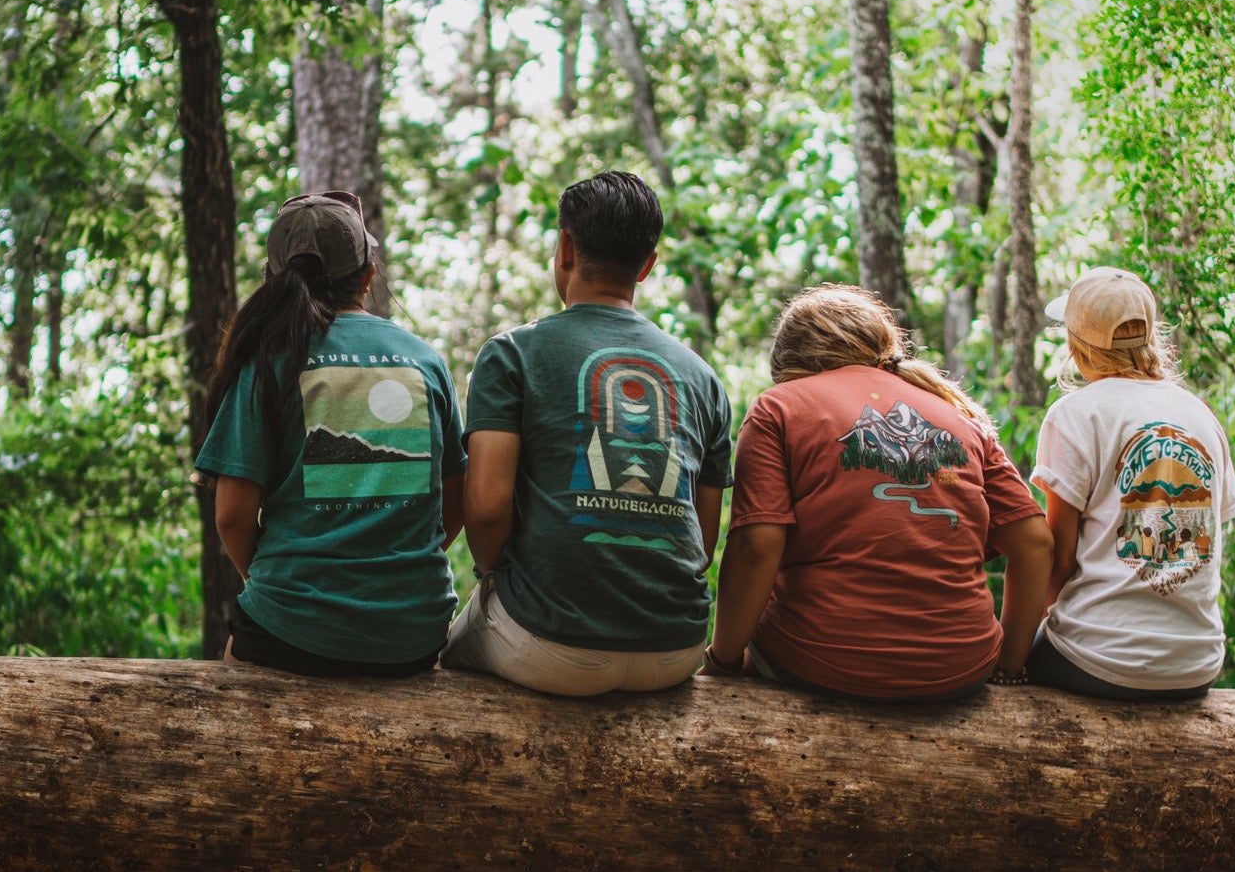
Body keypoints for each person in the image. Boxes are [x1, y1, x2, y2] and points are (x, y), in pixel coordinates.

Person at [443, 170, 733, 695]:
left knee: (444, 661)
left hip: (547, 645)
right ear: (647, 265)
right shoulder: (704, 378)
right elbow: (703, 541)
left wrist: (492, 575)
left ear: (565, 249)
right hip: (676, 650)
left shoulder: (512, 353)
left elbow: (484, 510)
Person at [707, 285, 1051, 698]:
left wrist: (722, 662)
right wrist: (1008, 666)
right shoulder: (960, 417)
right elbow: (1034, 542)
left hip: (820, 660)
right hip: (960, 668)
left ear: (790, 365)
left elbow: (756, 547)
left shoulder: (777, 406)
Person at [195, 190, 465, 676]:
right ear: (368, 275)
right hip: (413, 636)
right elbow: (458, 502)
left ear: (273, 278)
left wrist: (286, 592)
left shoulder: (266, 360)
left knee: (228, 683)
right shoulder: (425, 359)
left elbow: (232, 518)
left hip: (289, 629)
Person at [1028, 265, 1235, 698]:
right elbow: (1212, 536)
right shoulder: (1200, 414)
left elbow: (1059, 561)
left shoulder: (1074, 414)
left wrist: (1024, 642)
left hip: (1098, 659)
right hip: (1196, 666)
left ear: (1076, 346)